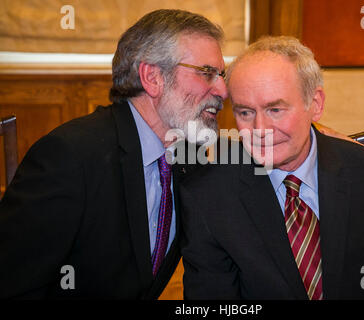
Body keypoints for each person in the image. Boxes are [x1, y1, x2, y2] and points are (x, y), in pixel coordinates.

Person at [0, 9, 227, 299]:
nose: (223, 89)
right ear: (152, 77)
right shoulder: (68, 157)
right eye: (207, 73)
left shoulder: (190, 156)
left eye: (221, 74)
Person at [180, 36, 364, 299]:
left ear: (316, 104)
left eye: (275, 109)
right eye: (245, 113)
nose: (260, 130)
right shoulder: (208, 195)